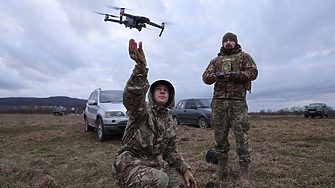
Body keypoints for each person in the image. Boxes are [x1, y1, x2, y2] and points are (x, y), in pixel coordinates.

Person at [112, 39, 197, 188]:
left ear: (170, 96)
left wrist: (186, 169)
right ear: (152, 94)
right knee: (160, 180)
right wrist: (140, 68)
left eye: (166, 89)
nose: (163, 90)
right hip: (128, 164)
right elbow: (132, 97)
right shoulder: (141, 112)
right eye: (159, 89)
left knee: (183, 182)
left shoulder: (169, 121)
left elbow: (170, 152)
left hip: (151, 165)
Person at [202, 32, 258, 180]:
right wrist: (214, 77)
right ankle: (222, 168)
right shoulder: (215, 60)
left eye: (231, 41)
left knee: (241, 136)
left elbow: (253, 72)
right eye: (226, 41)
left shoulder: (244, 57)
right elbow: (205, 77)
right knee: (219, 137)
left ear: (235, 42)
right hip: (218, 102)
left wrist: (235, 76)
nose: (228, 43)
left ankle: (244, 171)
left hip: (237, 102)